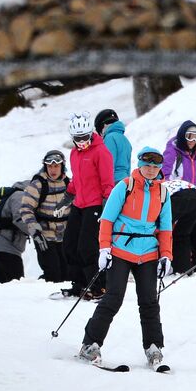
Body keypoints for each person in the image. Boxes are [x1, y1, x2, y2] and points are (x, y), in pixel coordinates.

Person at [77, 146, 174, 368]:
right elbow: (107, 218)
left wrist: (166, 255)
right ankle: (89, 344)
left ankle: (153, 347)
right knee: (113, 298)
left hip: (148, 251)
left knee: (149, 301)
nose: (151, 169)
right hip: (120, 249)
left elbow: (166, 227)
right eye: (147, 165)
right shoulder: (125, 186)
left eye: (155, 166)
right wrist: (104, 248)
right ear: (139, 164)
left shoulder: (163, 192)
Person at [61, 112, 116, 298]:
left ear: (90, 133)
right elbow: (77, 180)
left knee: (87, 247)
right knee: (69, 245)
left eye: (84, 137)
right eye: (77, 138)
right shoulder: (74, 154)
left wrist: (108, 207)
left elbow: (108, 182)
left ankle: (100, 286)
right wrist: (67, 196)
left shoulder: (101, 152)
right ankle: (80, 284)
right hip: (79, 204)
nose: (81, 141)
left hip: (95, 205)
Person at [161, 119, 196, 278]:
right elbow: (165, 176)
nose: (193, 140)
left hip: (195, 203)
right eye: (189, 136)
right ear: (182, 136)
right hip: (178, 202)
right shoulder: (173, 151)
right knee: (183, 242)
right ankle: (183, 276)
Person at [17, 149, 72, 283]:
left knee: (68, 273)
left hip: (64, 236)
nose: (53, 170)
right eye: (50, 166)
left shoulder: (68, 184)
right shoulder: (38, 184)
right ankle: (47, 299)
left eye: (56, 166)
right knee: (53, 272)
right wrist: (35, 231)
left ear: (62, 166)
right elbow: (25, 208)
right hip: (44, 235)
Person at [0, 178, 29, 283]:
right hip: (6, 247)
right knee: (15, 284)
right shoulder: (20, 196)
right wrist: (38, 233)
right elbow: (19, 219)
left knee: (3, 284)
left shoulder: (12, 195)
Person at [97, 108, 133, 181]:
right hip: (125, 179)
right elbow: (128, 165)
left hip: (114, 180)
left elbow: (108, 163)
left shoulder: (109, 138)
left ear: (103, 125)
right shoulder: (125, 139)